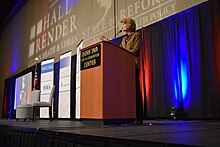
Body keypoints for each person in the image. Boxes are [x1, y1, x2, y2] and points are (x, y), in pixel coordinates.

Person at [101, 18, 143, 125]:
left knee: (135, 92)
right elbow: (119, 51)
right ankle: (128, 117)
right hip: (124, 69)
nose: (123, 26)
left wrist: (124, 53)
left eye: (125, 24)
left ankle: (138, 118)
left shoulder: (137, 35)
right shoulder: (124, 39)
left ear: (131, 25)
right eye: (122, 24)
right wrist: (109, 43)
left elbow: (135, 50)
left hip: (133, 66)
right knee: (126, 94)